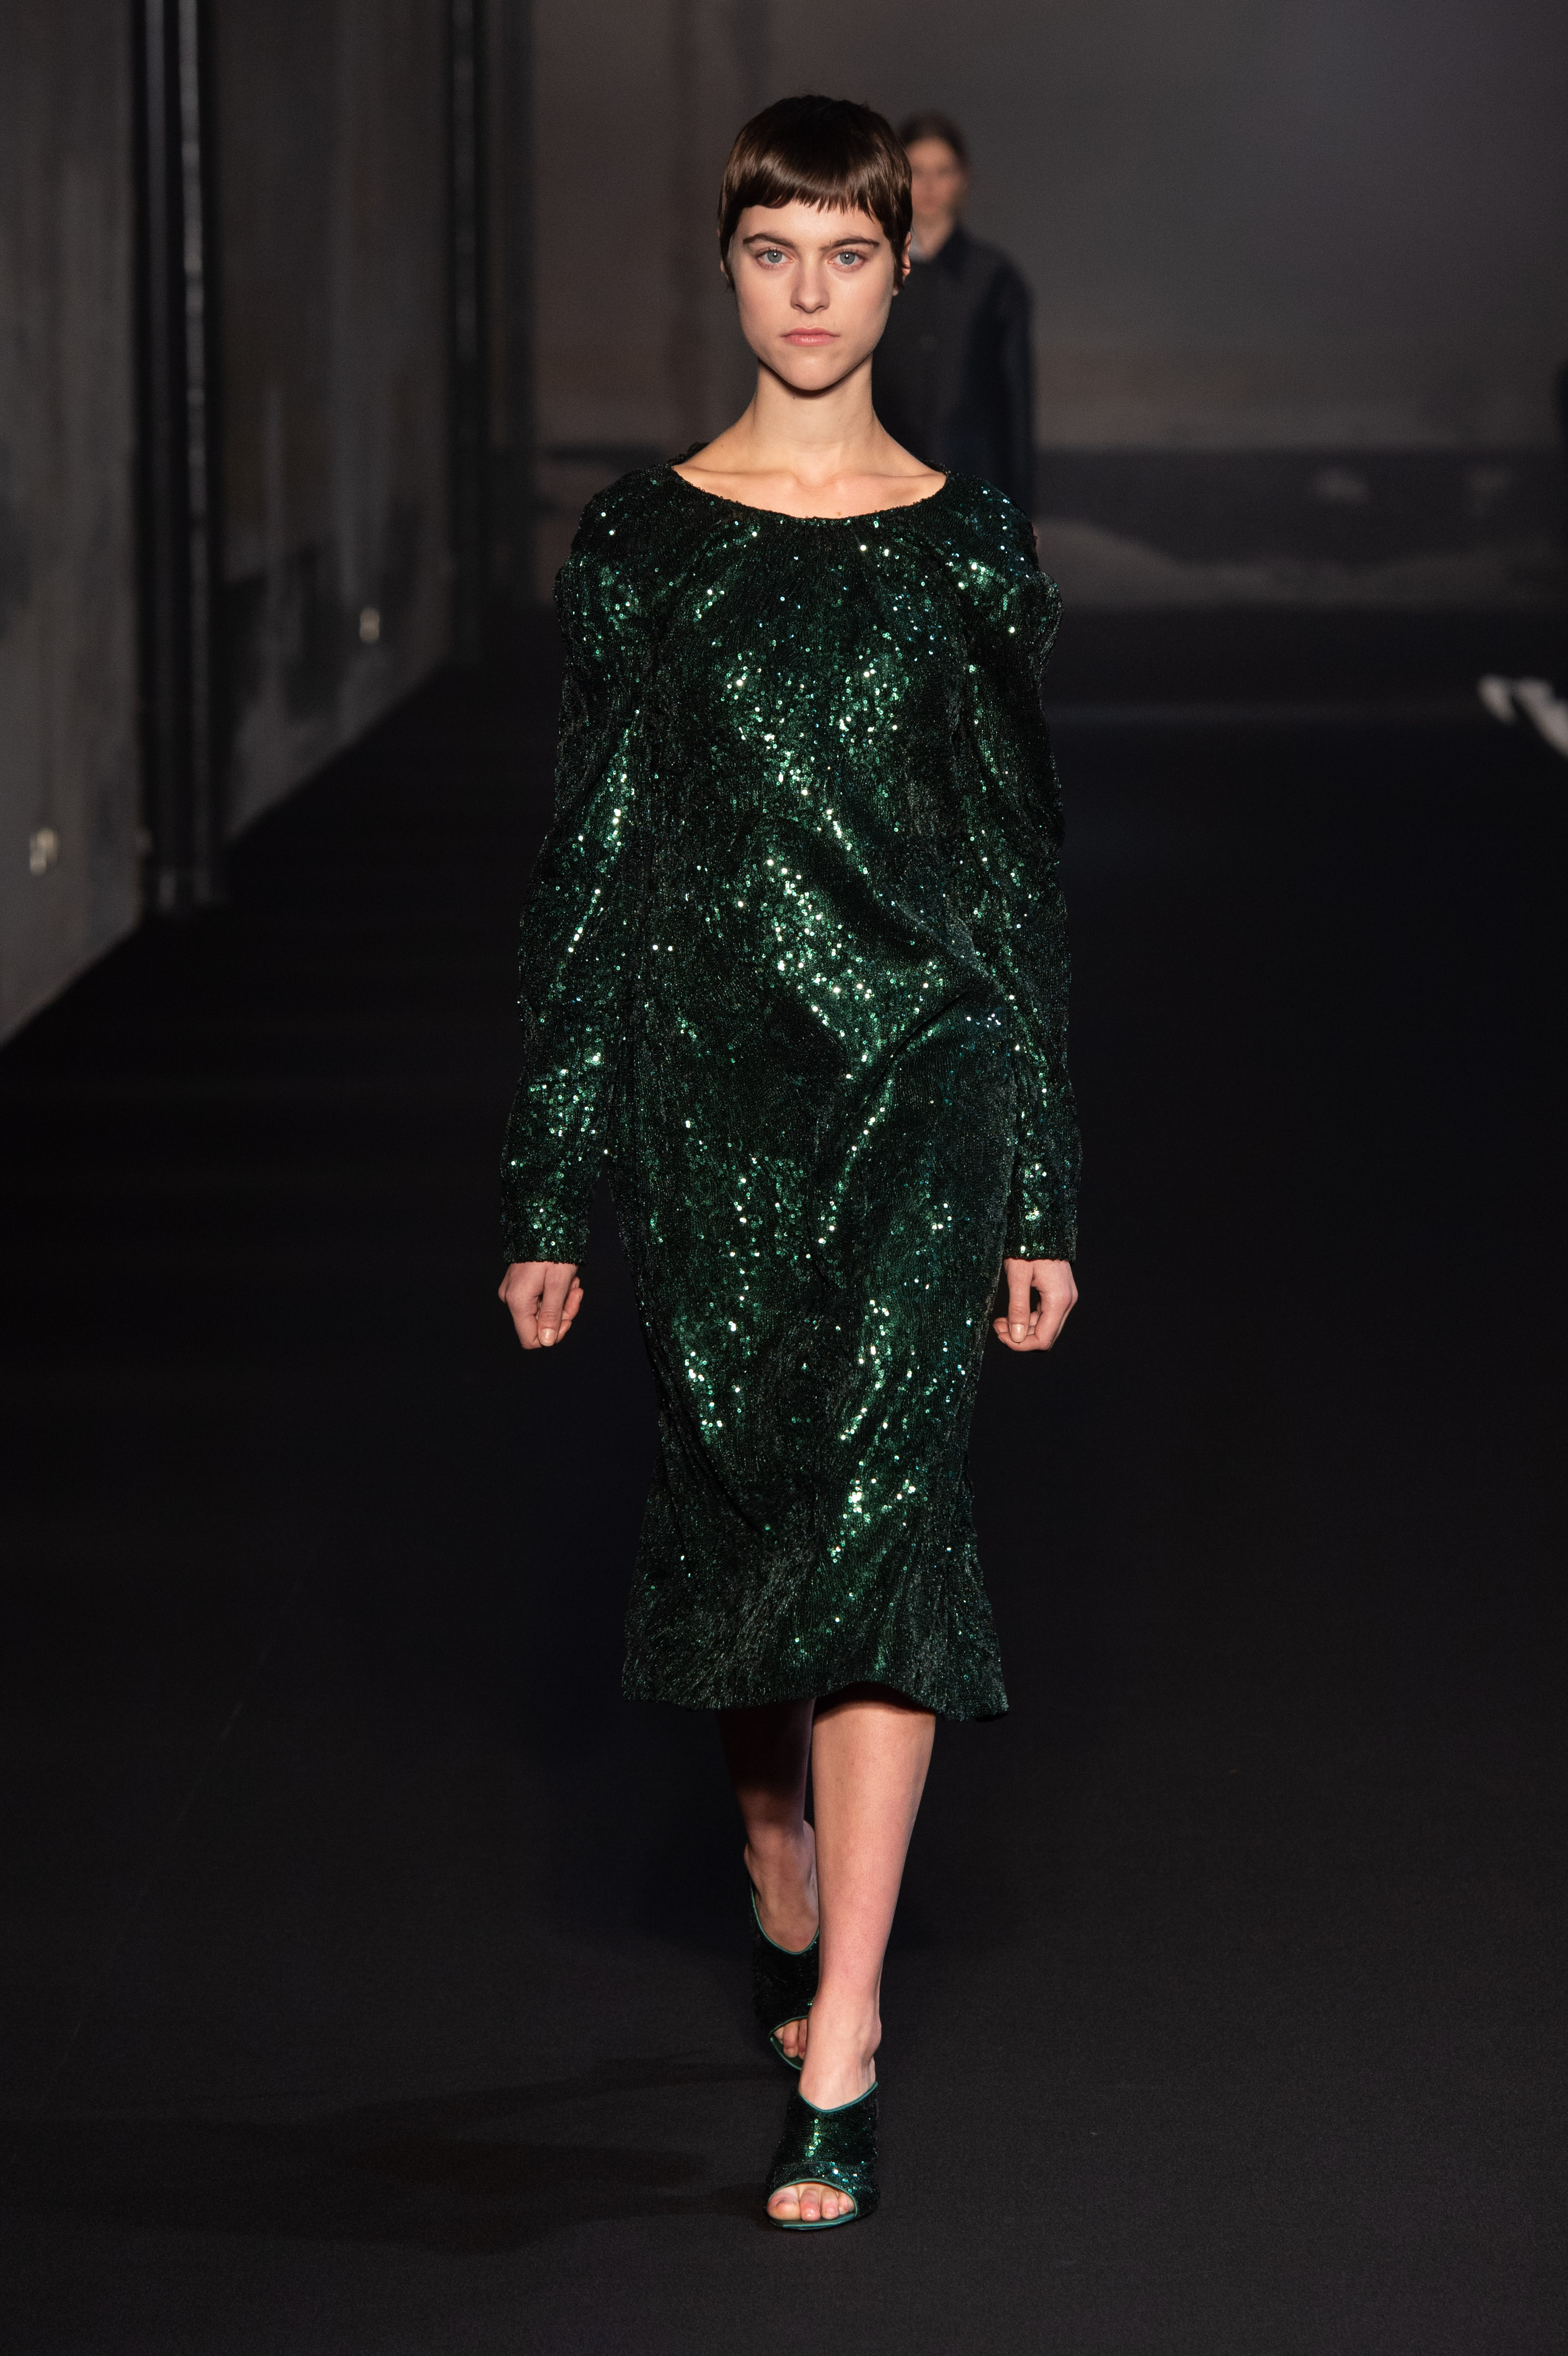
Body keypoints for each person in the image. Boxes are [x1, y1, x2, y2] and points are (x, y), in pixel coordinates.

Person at [498, 93, 1078, 2231]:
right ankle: (767, 1844)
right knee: (746, 1522)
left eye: (849, 254)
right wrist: (549, 1179)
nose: (811, 293)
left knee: (889, 1532)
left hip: (920, 1099)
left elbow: (1013, 883)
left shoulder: (967, 549)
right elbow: (587, 869)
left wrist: (1038, 1191)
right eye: (775, 253)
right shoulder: (643, 545)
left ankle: (843, 2031)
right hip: (711, 1112)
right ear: (729, 266)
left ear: (899, 270)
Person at [872, 111, 1035, 514]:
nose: (929, 186)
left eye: (942, 172)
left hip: (976, 488)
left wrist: (1023, 510)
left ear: (962, 179)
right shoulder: (870, 270)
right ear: (897, 179)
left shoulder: (995, 278)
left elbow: (1016, 402)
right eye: (916, 172)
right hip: (884, 486)